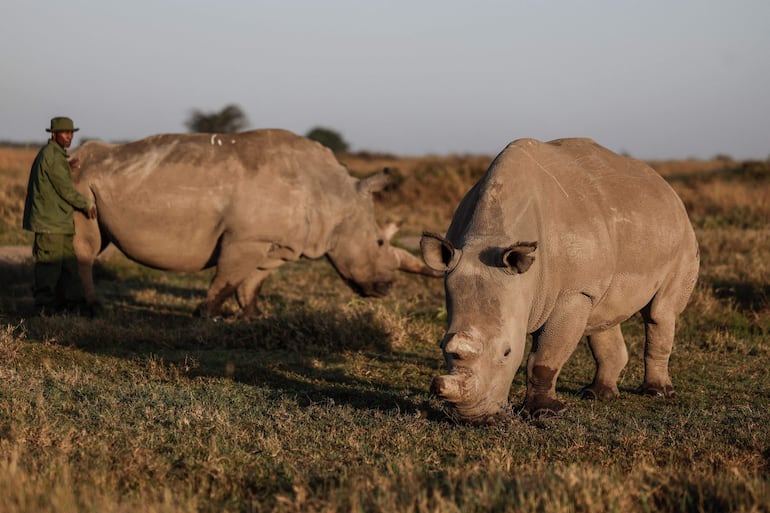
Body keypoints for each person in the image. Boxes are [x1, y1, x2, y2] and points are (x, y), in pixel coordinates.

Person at [22, 116, 97, 315]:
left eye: (71, 133)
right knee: (48, 268)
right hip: (51, 224)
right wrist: (87, 204)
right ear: (54, 134)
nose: (69, 136)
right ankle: (44, 310)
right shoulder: (52, 157)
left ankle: (73, 306)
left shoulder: (56, 155)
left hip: (60, 223)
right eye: (65, 133)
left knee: (69, 268)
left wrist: (67, 165)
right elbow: (65, 190)